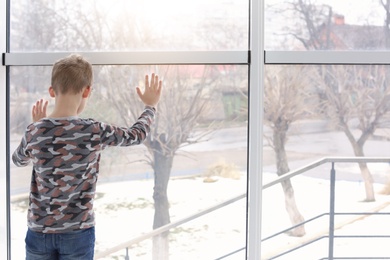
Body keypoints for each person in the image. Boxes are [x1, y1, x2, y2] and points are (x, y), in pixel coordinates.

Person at [12, 54, 162, 260]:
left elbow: (19, 160)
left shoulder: (35, 131)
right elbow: (136, 135)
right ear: (87, 91)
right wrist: (150, 106)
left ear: (51, 91)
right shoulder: (93, 130)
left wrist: (39, 127)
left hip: (39, 232)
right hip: (78, 233)